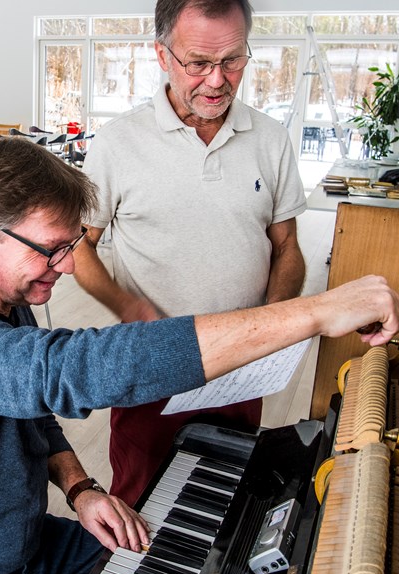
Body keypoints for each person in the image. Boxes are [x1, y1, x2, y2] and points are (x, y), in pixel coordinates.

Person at [0, 138, 399, 574]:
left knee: (176, 564)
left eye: (70, 245)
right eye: (50, 249)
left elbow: (33, 416)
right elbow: (67, 373)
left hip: (20, 547)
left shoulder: (5, 298)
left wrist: (81, 488)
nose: (65, 267)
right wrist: (312, 312)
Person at [75, 0, 307, 505]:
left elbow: (286, 246)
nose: (217, 80)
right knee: (141, 510)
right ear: (162, 55)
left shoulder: (271, 139)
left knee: (227, 505)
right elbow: (80, 248)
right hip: (151, 366)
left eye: (233, 60)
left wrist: (273, 320)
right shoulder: (117, 144)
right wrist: (130, 309)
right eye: (198, 62)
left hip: (242, 366)